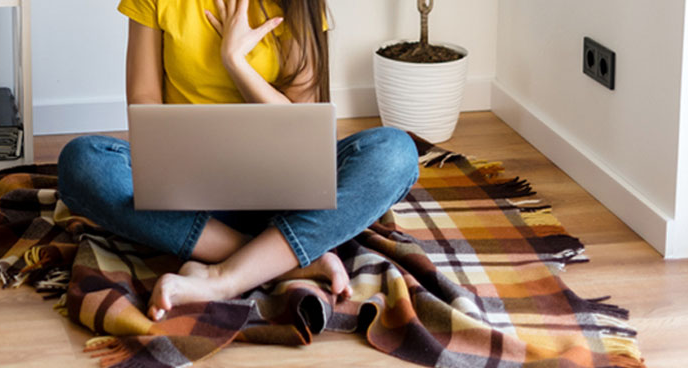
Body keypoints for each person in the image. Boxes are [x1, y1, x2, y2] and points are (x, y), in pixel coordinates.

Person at [57, 0, 420, 321]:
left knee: (395, 152)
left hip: (286, 194)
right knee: (83, 161)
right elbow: (144, 101)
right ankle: (279, 260)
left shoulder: (300, 4)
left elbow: (301, 128)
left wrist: (235, 62)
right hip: (191, 197)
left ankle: (224, 277)